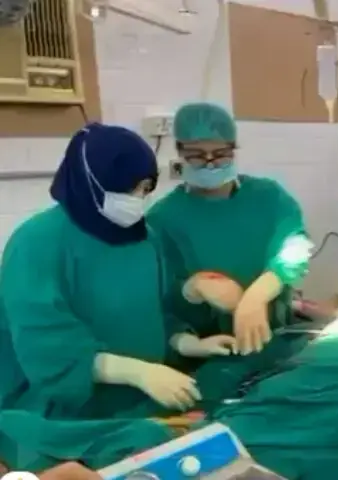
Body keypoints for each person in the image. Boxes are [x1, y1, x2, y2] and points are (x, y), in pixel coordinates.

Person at [0, 124, 234, 419]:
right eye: (129, 188)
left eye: (146, 188)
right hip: (62, 413)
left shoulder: (144, 238)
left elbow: (155, 315)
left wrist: (190, 344)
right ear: (92, 180)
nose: (138, 198)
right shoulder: (36, 244)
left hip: (137, 402)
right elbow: (45, 347)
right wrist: (136, 372)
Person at [147, 102, 312, 357]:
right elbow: (157, 299)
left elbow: (295, 246)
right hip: (209, 353)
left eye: (220, 153)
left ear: (233, 149)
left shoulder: (268, 197)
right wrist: (191, 289)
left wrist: (258, 295)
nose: (210, 164)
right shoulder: (162, 218)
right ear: (180, 151)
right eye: (197, 155)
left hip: (276, 337)